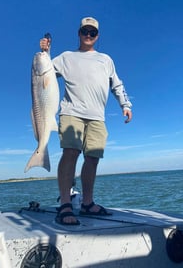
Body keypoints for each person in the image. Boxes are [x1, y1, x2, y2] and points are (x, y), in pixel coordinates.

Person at [40, 17, 132, 225]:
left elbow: (117, 84)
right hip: (71, 111)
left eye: (93, 32)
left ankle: (87, 203)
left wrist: (125, 105)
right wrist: (46, 52)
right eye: (85, 31)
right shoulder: (66, 57)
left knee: (93, 158)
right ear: (79, 33)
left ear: (97, 36)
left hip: (97, 116)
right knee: (71, 152)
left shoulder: (106, 60)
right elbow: (44, 71)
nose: (89, 35)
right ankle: (65, 203)